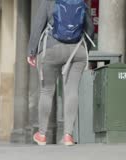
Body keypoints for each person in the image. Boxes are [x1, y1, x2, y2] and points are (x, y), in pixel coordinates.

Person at [27, 0, 94, 146]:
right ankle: (68, 136)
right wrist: (85, 49)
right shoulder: (81, 1)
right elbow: (90, 28)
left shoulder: (47, 2)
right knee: (72, 91)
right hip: (77, 50)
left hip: (51, 48)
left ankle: (42, 135)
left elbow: (38, 26)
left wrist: (32, 51)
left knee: (46, 91)